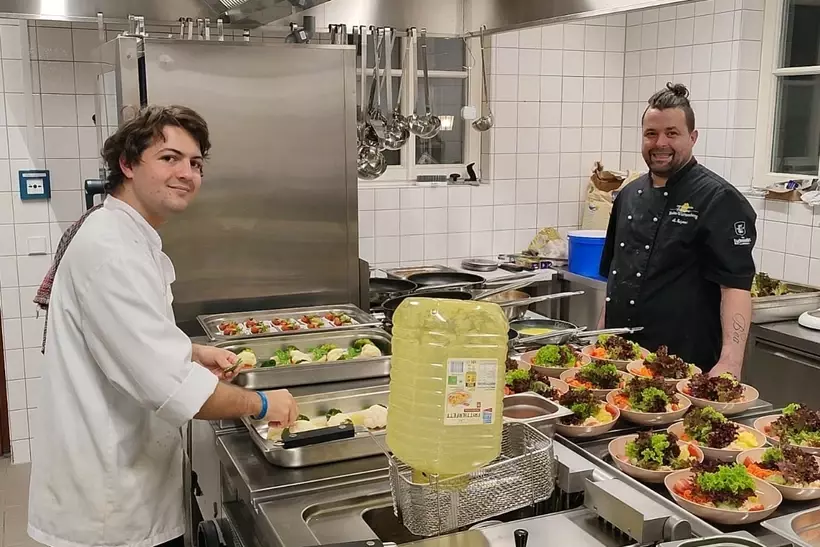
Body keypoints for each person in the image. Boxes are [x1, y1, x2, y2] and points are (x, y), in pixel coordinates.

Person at [27, 105, 299, 547]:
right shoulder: (112, 250)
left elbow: (128, 337)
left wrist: (192, 351)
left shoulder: (126, 234)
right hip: (110, 508)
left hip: (126, 480)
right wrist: (263, 403)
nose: (186, 174)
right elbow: (169, 387)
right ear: (127, 164)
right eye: (169, 158)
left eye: (196, 163)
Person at [597, 83, 757, 377]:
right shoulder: (628, 195)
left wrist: (731, 362)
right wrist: (599, 339)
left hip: (684, 366)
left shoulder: (719, 199)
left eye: (672, 133)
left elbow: (735, 287)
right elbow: (616, 279)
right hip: (621, 360)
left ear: (692, 137)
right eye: (651, 134)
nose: (660, 143)